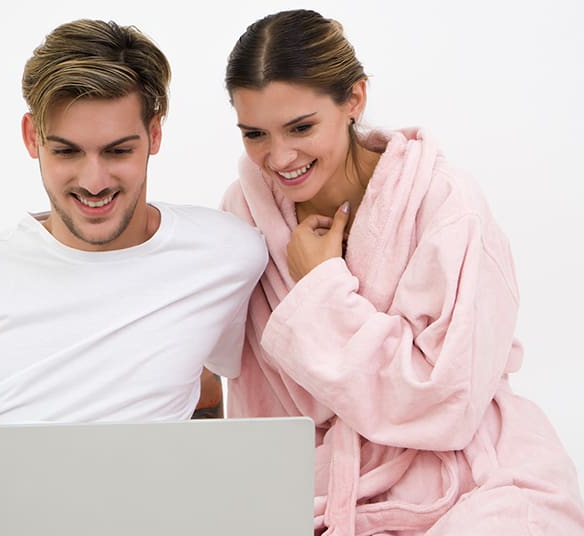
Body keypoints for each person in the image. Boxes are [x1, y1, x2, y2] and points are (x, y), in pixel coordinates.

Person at [0, 18, 267, 536]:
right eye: (66, 151)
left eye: (118, 150)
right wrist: (31, 511)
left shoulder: (229, 252)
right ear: (31, 137)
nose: (94, 180)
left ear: (154, 134)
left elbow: (207, 388)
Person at [220, 9, 584, 535]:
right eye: (255, 133)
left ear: (354, 99)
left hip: (470, 472)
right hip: (326, 484)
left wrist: (322, 288)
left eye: (301, 127)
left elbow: (447, 402)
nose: (279, 157)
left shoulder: (446, 204)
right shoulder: (249, 214)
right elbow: (260, 402)